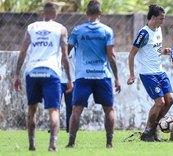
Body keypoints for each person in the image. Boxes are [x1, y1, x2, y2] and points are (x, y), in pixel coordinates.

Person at [13, 2, 73, 151]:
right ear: (55, 13)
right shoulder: (60, 29)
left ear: (43, 13)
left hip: (32, 71)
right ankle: (52, 144)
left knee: (32, 109)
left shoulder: (32, 27)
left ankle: (32, 144)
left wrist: (16, 75)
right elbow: (65, 56)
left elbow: (22, 51)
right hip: (51, 71)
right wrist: (70, 79)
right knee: (53, 110)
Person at [66, 0, 121, 149]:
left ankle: (71, 142)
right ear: (100, 13)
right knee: (109, 109)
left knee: (76, 109)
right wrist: (117, 78)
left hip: (83, 76)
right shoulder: (107, 31)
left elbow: (66, 52)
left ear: (86, 13)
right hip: (102, 75)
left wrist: (67, 74)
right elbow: (111, 56)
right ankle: (109, 143)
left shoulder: (78, 30)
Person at [127, 4, 173, 142]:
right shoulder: (144, 33)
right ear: (153, 17)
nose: (163, 21)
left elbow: (154, 49)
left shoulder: (158, 30)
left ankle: (154, 129)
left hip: (160, 71)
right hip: (148, 73)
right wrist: (132, 75)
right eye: (161, 18)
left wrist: (163, 51)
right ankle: (148, 132)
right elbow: (131, 54)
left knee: (170, 99)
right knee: (159, 102)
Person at [60, 48, 75, 132]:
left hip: (71, 81)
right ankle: (54, 127)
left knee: (70, 106)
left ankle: (69, 128)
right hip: (58, 80)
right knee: (55, 104)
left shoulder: (74, 49)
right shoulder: (56, 48)